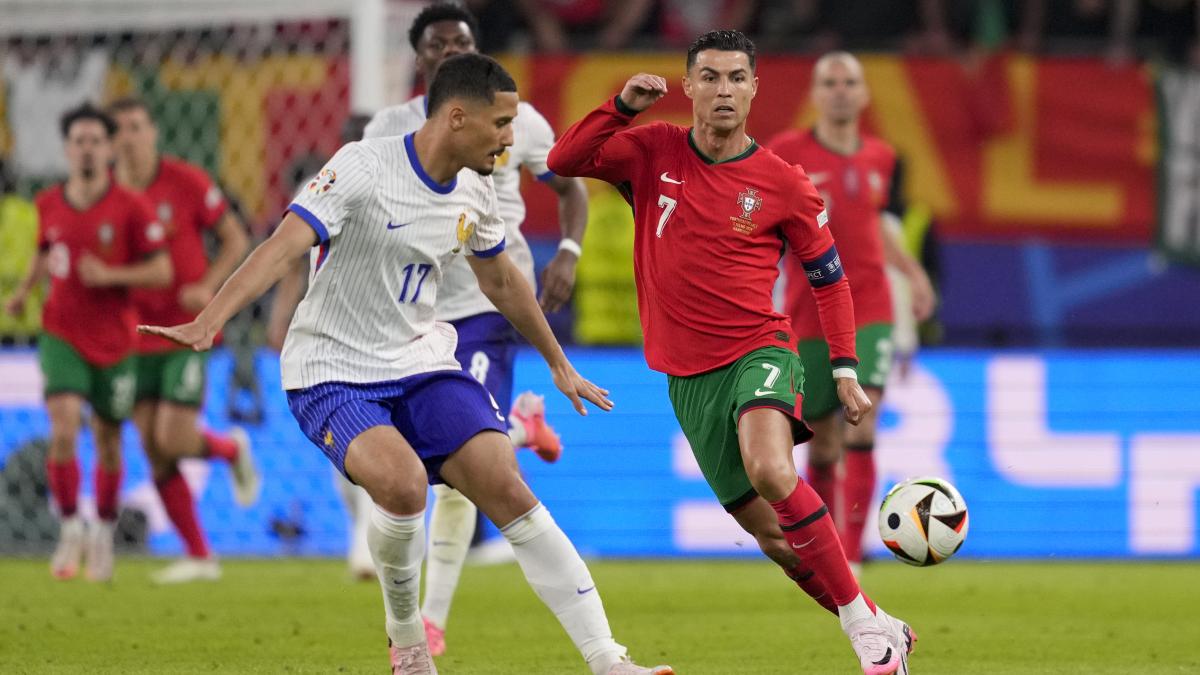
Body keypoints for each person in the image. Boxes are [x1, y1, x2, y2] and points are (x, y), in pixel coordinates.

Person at [139, 53, 672, 675]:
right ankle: (407, 638)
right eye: (501, 123)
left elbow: (501, 279)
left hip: (418, 357)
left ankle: (609, 660)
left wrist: (557, 362)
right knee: (401, 484)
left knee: (505, 485)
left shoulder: (475, 187)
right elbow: (283, 245)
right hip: (330, 368)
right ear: (456, 117)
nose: (511, 136)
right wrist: (213, 318)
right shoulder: (362, 167)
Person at [547, 30, 914, 675]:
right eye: (710, 77)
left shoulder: (783, 183)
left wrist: (846, 367)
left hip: (760, 351)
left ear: (754, 88)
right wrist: (622, 105)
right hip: (686, 376)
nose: (724, 90)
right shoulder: (650, 150)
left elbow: (829, 278)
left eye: (737, 78)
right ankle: (880, 624)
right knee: (776, 541)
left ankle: (863, 633)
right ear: (688, 86)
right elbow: (565, 157)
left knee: (773, 470)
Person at [361, 1, 591, 653]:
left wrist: (568, 253)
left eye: (461, 41)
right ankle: (524, 426)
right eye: (438, 43)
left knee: (467, 465)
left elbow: (569, 187)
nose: (450, 50)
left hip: (489, 305)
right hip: (413, 311)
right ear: (419, 57)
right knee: (436, 456)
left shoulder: (518, 116)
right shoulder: (389, 127)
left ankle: (431, 617)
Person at [767, 52, 936, 574]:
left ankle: (851, 553)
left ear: (864, 95)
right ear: (815, 94)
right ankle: (829, 549)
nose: (840, 91)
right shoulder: (784, 154)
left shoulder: (884, 158)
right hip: (808, 311)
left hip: (871, 310)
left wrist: (913, 271)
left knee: (863, 422)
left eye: (850, 82)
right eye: (830, 82)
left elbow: (881, 226)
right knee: (822, 441)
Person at [4, 103, 173, 582]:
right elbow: (45, 251)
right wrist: (21, 293)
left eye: (95, 140)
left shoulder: (131, 207)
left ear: (109, 148)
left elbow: (161, 270)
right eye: (78, 140)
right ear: (66, 148)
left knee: (109, 442)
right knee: (62, 429)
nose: (87, 148)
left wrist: (111, 274)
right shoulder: (48, 203)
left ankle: (101, 530)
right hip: (61, 331)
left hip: (115, 341)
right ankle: (69, 527)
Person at [108, 97, 260, 584]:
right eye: (120, 130)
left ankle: (232, 451)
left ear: (153, 131)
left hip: (187, 329)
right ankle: (199, 555)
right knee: (153, 448)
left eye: (136, 126)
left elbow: (236, 238)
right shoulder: (108, 197)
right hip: (132, 337)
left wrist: (211, 284)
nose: (128, 137)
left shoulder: (186, 181)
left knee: (172, 436)